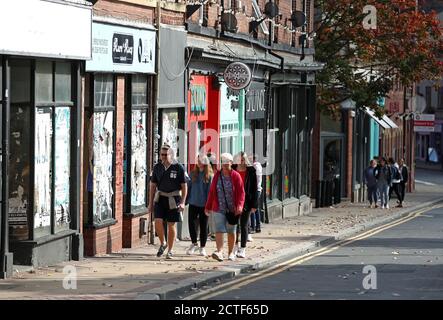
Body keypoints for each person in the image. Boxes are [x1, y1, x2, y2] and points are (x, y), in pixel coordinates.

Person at [148, 144, 187, 259]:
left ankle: (170, 250)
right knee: (158, 221)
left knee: (171, 224)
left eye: (166, 154)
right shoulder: (157, 167)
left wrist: (183, 202)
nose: (164, 157)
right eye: (162, 154)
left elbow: (184, 186)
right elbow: (153, 185)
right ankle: (163, 242)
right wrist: (150, 203)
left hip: (174, 198)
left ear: (171, 155)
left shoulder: (178, 167)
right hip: (160, 197)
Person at [205, 153, 245, 262]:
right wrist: (208, 206)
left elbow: (241, 193)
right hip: (219, 207)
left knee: (231, 231)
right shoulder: (217, 176)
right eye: (224, 164)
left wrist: (240, 206)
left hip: (233, 208)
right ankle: (220, 252)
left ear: (231, 164)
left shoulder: (236, 176)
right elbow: (212, 192)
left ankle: (231, 252)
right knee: (219, 229)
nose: (225, 167)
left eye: (227, 164)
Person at [186, 154, 213, 257]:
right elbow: (188, 188)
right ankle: (194, 243)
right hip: (193, 203)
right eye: (198, 160)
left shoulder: (209, 175)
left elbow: (210, 192)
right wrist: (185, 201)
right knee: (192, 225)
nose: (200, 162)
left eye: (202, 160)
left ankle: (202, 247)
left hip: (204, 205)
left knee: (203, 226)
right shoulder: (192, 173)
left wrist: (209, 205)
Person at [232, 152, 258, 259]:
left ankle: (242, 249)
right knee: (234, 225)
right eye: (239, 159)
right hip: (233, 200)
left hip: (246, 201)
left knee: (243, 225)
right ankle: (235, 246)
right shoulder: (232, 169)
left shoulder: (251, 171)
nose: (241, 161)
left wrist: (254, 204)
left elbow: (254, 188)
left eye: (242, 159)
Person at [249, 154, 263, 233]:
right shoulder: (258, 166)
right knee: (256, 208)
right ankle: (258, 226)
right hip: (258, 189)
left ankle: (253, 227)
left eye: (250, 159)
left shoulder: (255, 167)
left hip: (255, 189)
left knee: (252, 208)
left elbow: (255, 179)